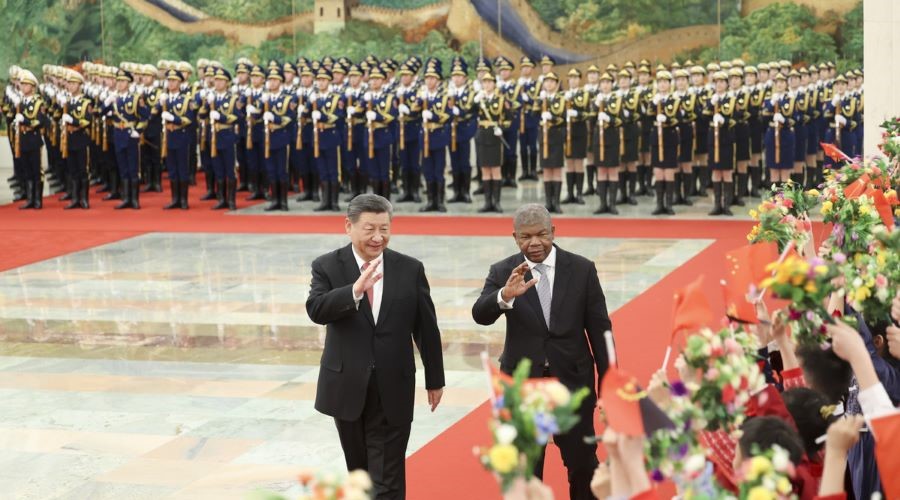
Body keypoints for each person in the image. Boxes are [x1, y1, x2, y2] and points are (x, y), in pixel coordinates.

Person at [306, 194, 445, 499]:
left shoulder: (410, 269)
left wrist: (435, 378)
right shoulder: (327, 266)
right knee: (360, 473)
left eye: (384, 228)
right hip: (347, 384)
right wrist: (354, 291)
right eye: (369, 229)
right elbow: (316, 309)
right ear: (348, 226)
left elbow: (426, 327)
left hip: (393, 383)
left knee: (388, 476)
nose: (378, 237)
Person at [472, 204, 613, 500]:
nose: (534, 243)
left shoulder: (582, 269)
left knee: (582, 462)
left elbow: (600, 330)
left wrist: (610, 385)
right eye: (525, 237)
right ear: (514, 237)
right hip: (524, 386)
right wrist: (504, 296)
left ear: (553, 232)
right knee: (527, 467)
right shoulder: (503, 271)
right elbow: (480, 314)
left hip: (572, 381)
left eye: (541, 235)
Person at [474, 72, 507, 213]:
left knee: (496, 169)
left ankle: (497, 202)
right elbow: (468, 112)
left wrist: (502, 127)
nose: (487, 84)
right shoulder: (479, 99)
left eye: (489, 82)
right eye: (484, 82)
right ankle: (487, 202)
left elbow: (509, 118)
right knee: (485, 170)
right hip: (482, 135)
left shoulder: (500, 99)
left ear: (494, 83)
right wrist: (475, 101)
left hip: (494, 136)